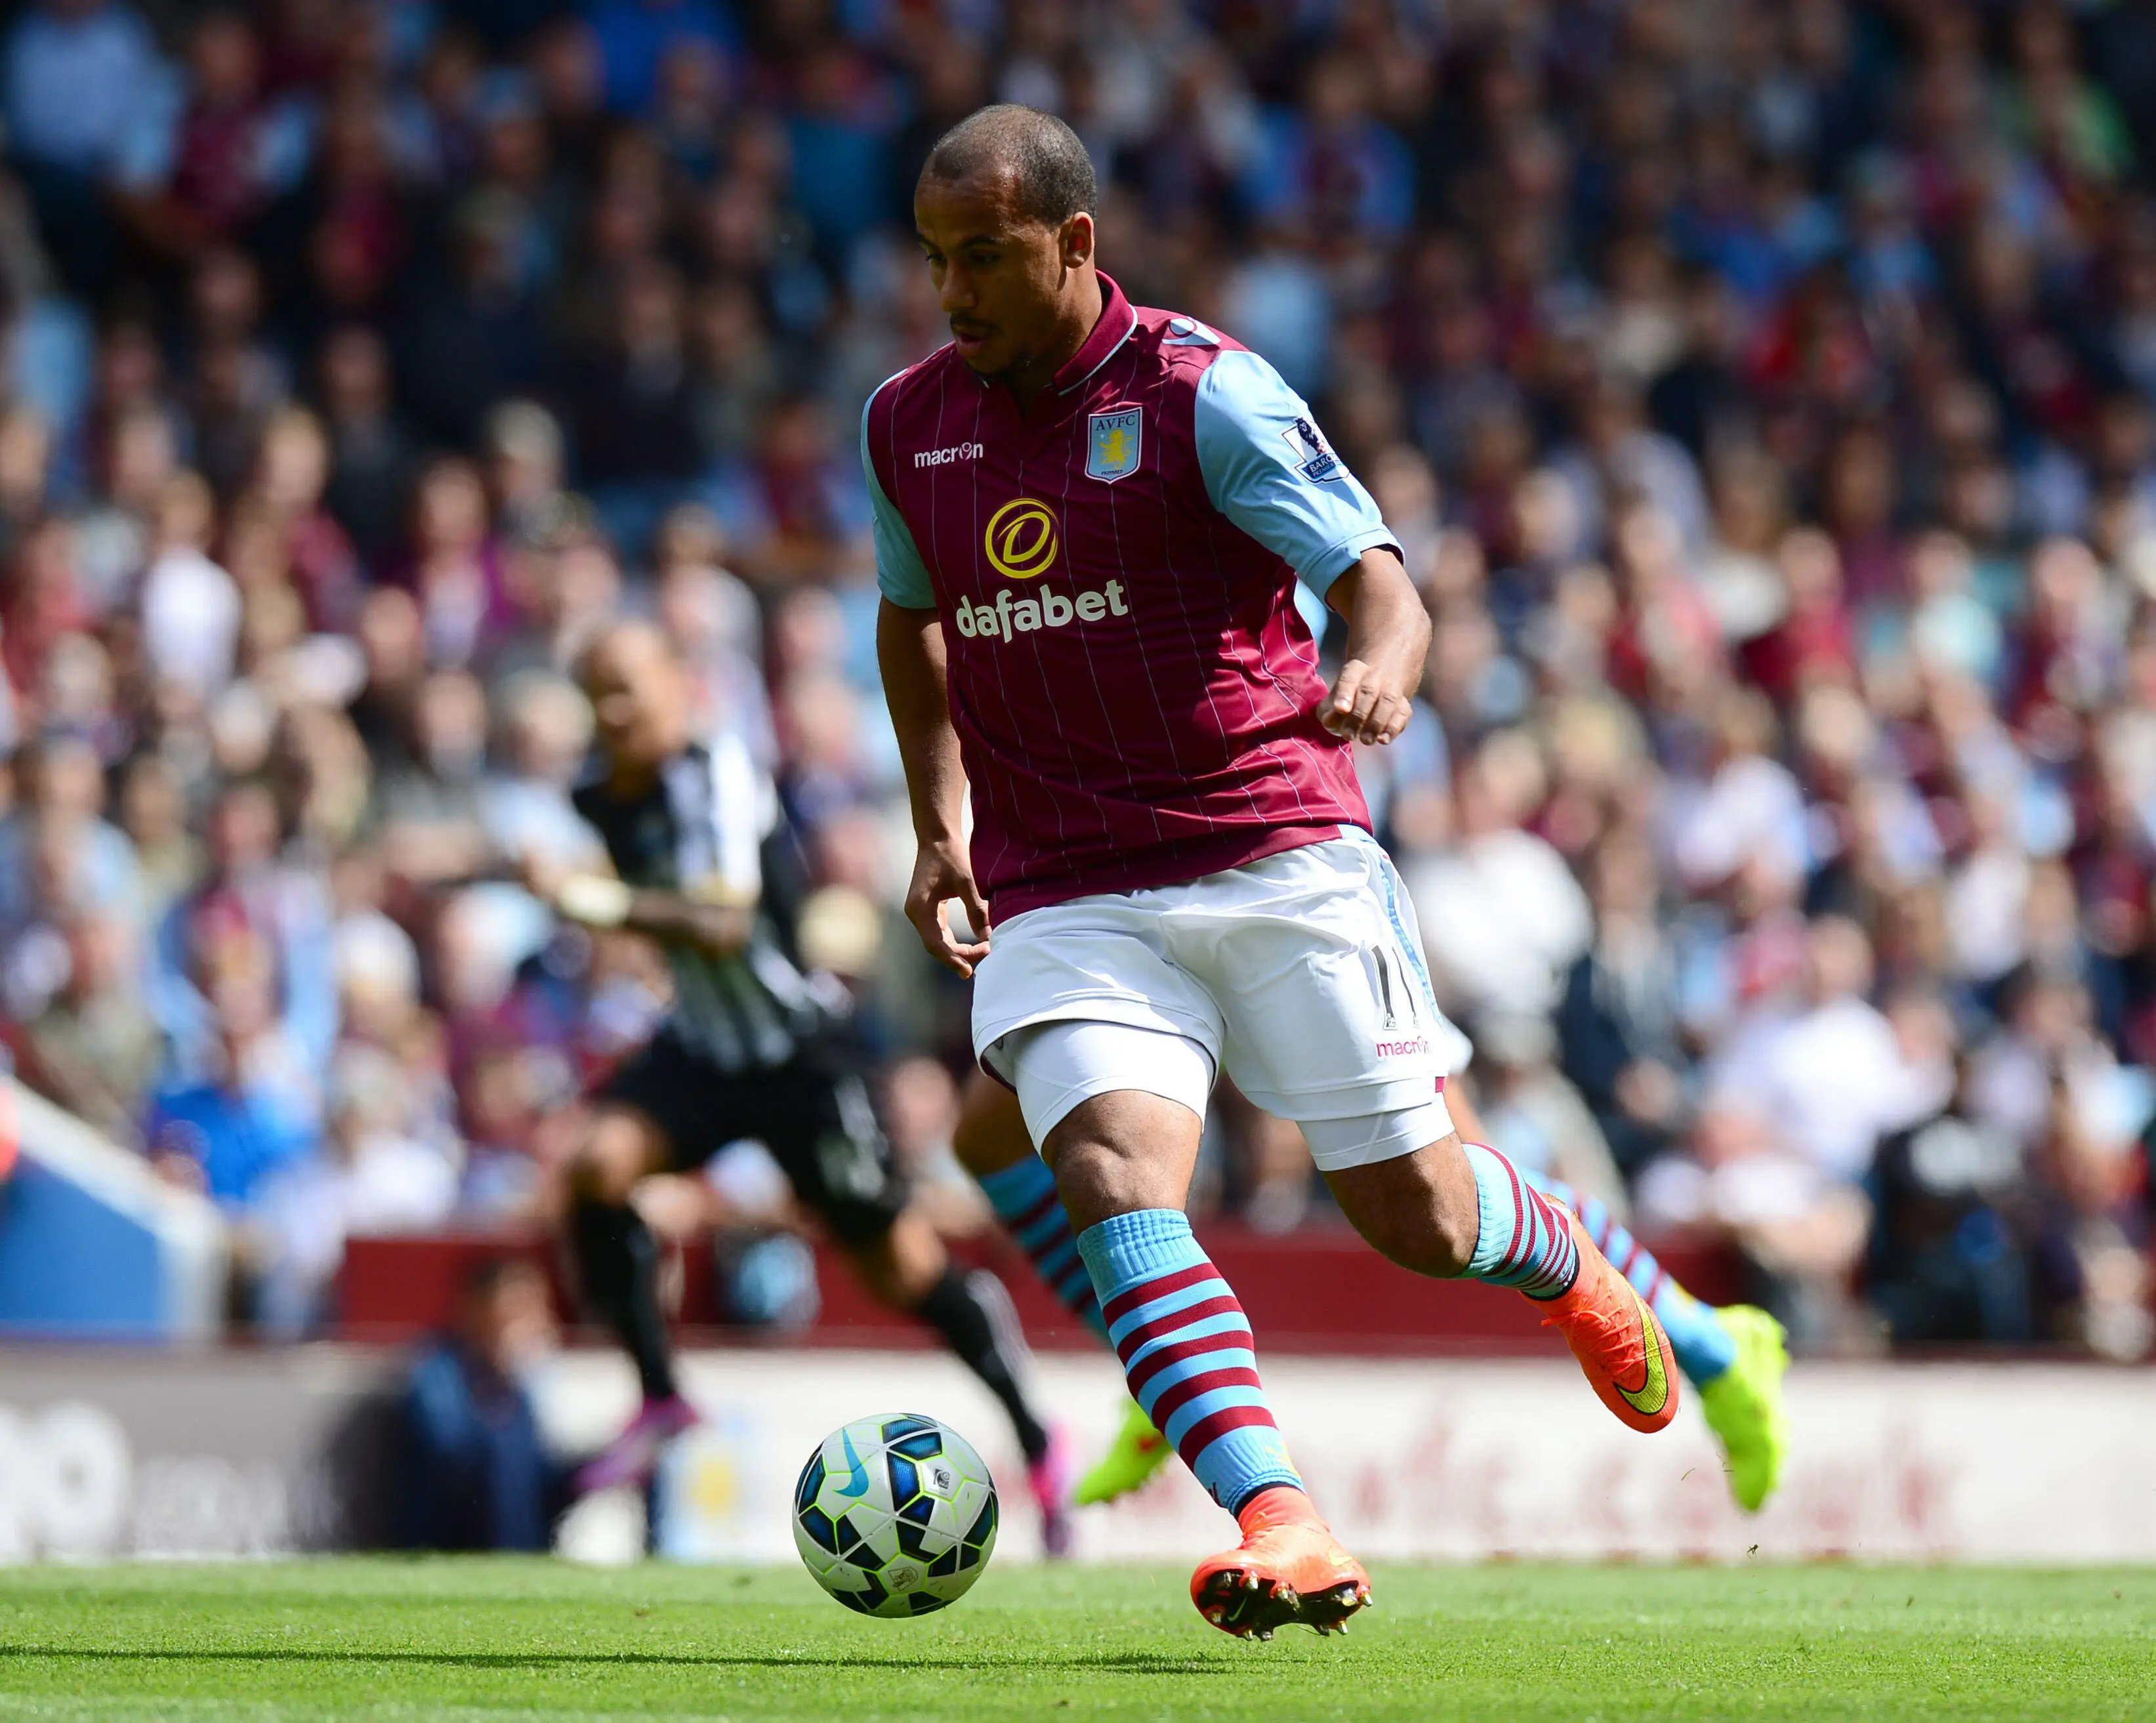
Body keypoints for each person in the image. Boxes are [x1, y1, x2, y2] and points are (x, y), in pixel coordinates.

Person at [869, 105, 1684, 1638]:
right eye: (933, 261)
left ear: (1074, 242)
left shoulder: (1203, 394)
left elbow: (1377, 584)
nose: (952, 291)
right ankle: (1280, 1515)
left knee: (1417, 1220)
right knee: (1111, 1175)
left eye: (983, 256)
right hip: (1067, 884)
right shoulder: (907, 423)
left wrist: (1376, 672)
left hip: (1272, 851)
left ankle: (1559, 1255)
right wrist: (938, 821)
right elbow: (908, 621)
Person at [522, 619, 1072, 1551]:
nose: (615, 713)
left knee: (897, 1267)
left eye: (630, 688)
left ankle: (1034, 1430)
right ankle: (659, 1398)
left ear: (678, 685)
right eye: (599, 696)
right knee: (594, 1165)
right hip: (699, 1047)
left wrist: (592, 900)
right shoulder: (596, 792)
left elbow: (726, 923)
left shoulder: (719, 771)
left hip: (797, 1054)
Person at [402, 1256, 572, 1551]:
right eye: (515, 1313)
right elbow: (452, 1453)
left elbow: (541, 1480)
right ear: (475, 1311)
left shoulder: (522, 1386)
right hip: (450, 1540)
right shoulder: (438, 1373)